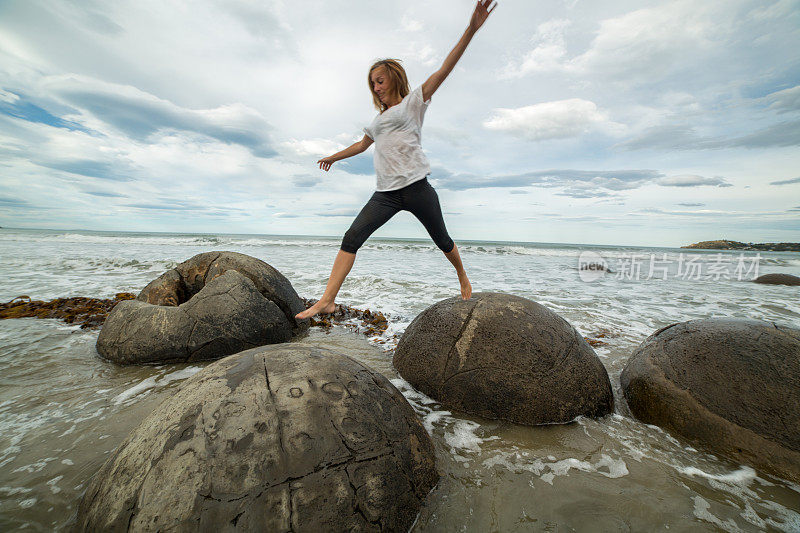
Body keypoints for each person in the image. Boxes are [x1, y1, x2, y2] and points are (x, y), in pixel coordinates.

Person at [296, 0, 498, 320]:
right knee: (352, 238)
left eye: (380, 80)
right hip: (385, 194)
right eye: (372, 83)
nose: (376, 87)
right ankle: (327, 300)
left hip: (417, 187)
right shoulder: (377, 121)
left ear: (393, 78)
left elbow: (444, 69)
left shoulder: (413, 104)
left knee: (442, 240)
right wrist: (334, 157)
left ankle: (462, 275)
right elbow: (363, 145)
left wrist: (471, 30)